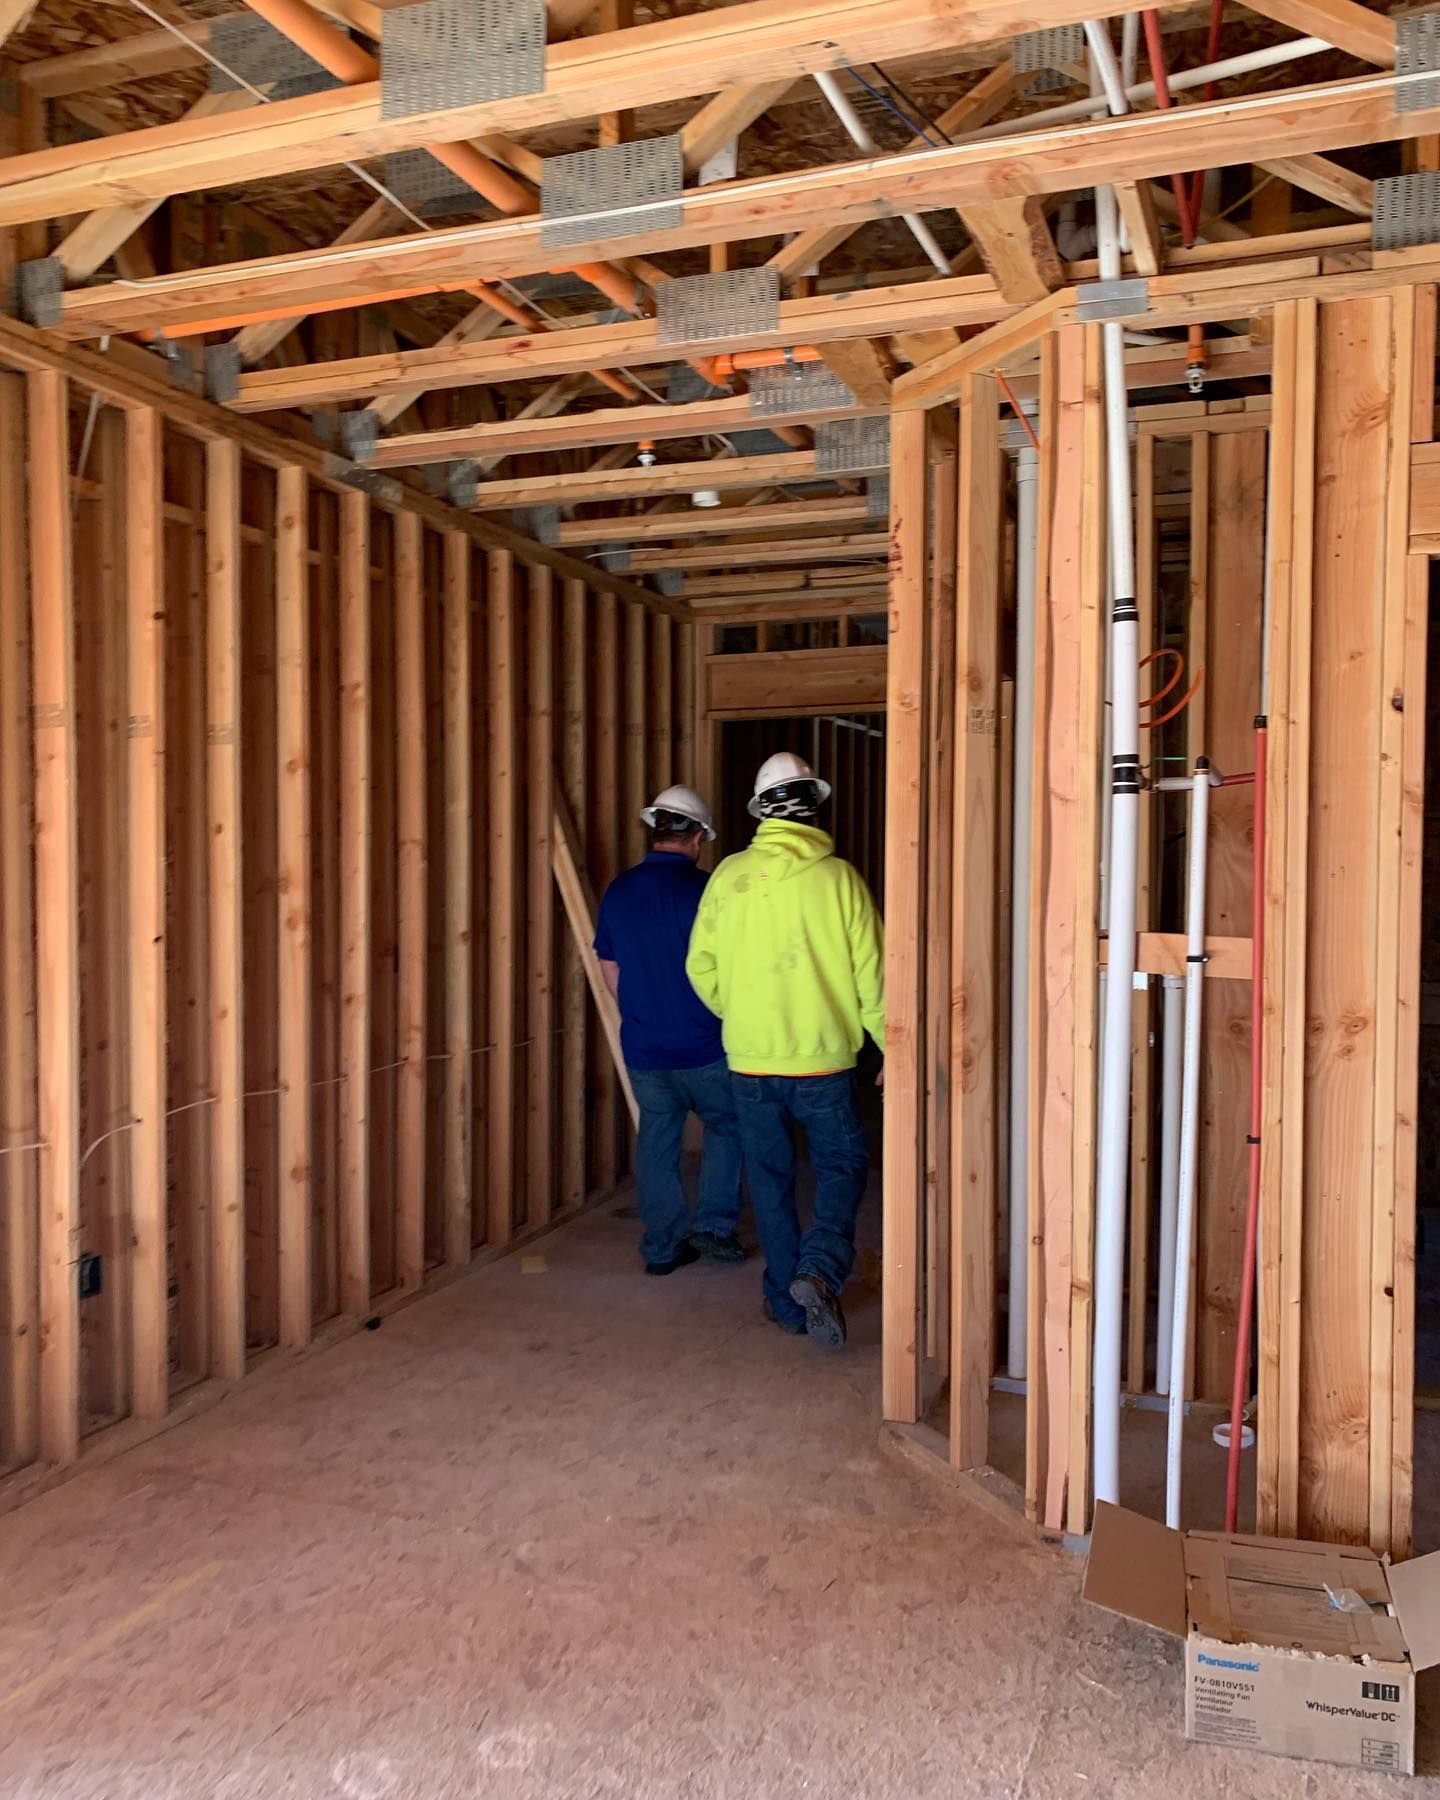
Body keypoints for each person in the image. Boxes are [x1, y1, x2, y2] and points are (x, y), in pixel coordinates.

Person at [686, 752, 883, 1349]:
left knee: (769, 1181)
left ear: (761, 813)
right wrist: (893, 1048)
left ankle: (787, 1304)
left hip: (750, 1063)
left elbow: (700, 967)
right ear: (813, 808)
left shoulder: (728, 877)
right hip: (824, 1062)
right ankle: (818, 1268)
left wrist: (743, 1016)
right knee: (842, 1167)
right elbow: (874, 977)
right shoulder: (840, 880)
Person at [595, 784, 746, 1277]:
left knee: (657, 1141)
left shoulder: (619, 890)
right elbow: (732, 968)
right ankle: (715, 1228)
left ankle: (662, 1248)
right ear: (698, 838)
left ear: (655, 830)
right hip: (706, 1046)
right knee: (729, 1125)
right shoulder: (708, 892)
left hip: (645, 1049)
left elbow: (609, 966)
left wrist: (641, 1014)